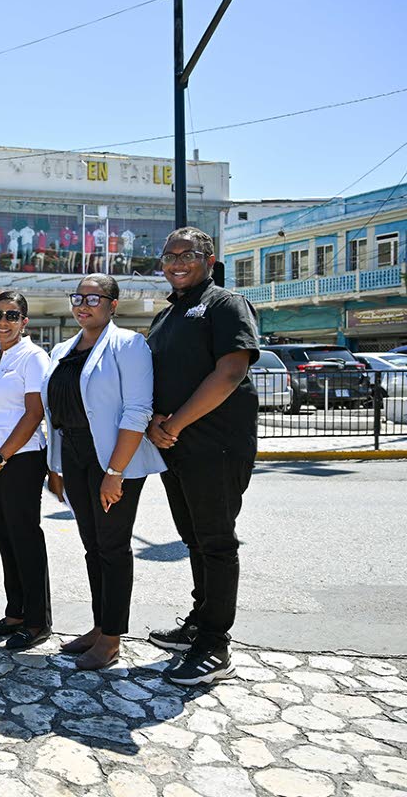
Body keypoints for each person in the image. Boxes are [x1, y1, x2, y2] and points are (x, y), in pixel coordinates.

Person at [146, 227, 260, 686]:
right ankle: (198, 621)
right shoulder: (166, 316)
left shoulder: (225, 304)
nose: (175, 262)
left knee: (216, 541)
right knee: (193, 538)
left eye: (186, 254)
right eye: (168, 255)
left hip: (217, 443)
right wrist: (157, 421)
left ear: (208, 260)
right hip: (175, 447)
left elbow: (231, 371)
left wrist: (173, 424)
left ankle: (215, 642)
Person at [42, 274, 167, 669]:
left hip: (113, 457)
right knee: (91, 545)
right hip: (75, 454)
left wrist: (116, 470)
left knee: (112, 547)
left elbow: (137, 410)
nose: (83, 304)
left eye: (94, 298)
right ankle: (99, 625)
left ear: (113, 305)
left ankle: (112, 638)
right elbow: (56, 412)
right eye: (78, 297)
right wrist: (56, 465)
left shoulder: (128, 345)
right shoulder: (63, 348)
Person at [0, 290, 51, 647]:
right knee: (5, 539)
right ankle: (15, 611)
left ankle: (36, 621)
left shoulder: (33, 357)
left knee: (25, 539)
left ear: (24, 321)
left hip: (20, 460)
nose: (3, 322)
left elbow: (34, 414)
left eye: (12, 316)